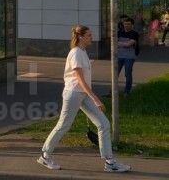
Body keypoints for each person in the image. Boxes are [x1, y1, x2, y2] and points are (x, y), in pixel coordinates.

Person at [38, 25, 130, 173]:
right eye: (89, 35)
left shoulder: (82, 52)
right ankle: (45, 155)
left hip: (83, 94)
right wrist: (96, 99)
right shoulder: (75, 53)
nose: (91, 38)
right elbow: (80, 80)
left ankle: (110, 162)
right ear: (80, 37)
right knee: (64, 125)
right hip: (74, 94)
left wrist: (90, 96)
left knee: (104, 124)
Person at [116, 16, 140, 96]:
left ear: (132, 25)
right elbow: (114, 42)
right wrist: (125, 44)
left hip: (129, 57)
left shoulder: (134, 34)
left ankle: (127, 92)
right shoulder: (119, 32)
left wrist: (119, 43)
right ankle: (112, 92)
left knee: (128, 74)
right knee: (115, 74)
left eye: (128, 24)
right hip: (119, 56)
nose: (126, 25)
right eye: (125, 24)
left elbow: (128, 44)